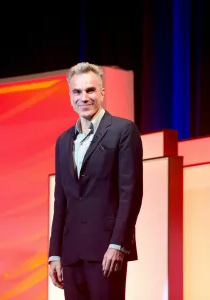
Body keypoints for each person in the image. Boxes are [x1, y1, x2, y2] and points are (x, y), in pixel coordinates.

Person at [48, 62, 143, 300]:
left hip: (106, 251)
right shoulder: (63, 141)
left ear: (102, 93)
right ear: (70, 96)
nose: (84, 97)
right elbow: (61, 201)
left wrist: (119, 245)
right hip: (71, 255)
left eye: (90, 90)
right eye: (77, 92)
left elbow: (130, 193)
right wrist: (55, 255)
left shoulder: (123, 131)